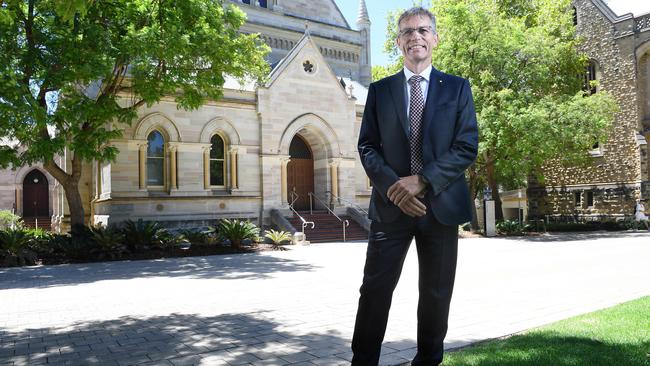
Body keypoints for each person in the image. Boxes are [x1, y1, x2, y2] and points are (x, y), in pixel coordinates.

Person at [352, 6, 479, 366]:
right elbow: (367, 146)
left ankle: (428, 361)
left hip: (440, 208)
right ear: (398, 42)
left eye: (423, 30)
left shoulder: (457, 88)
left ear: (434, 38)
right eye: (407, 32)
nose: (415, 37)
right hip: (391, 210)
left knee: (436, 294)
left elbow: (466, 145)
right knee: (375, 291)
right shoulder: (380, 90)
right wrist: (397, 188)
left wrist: (423, 181)